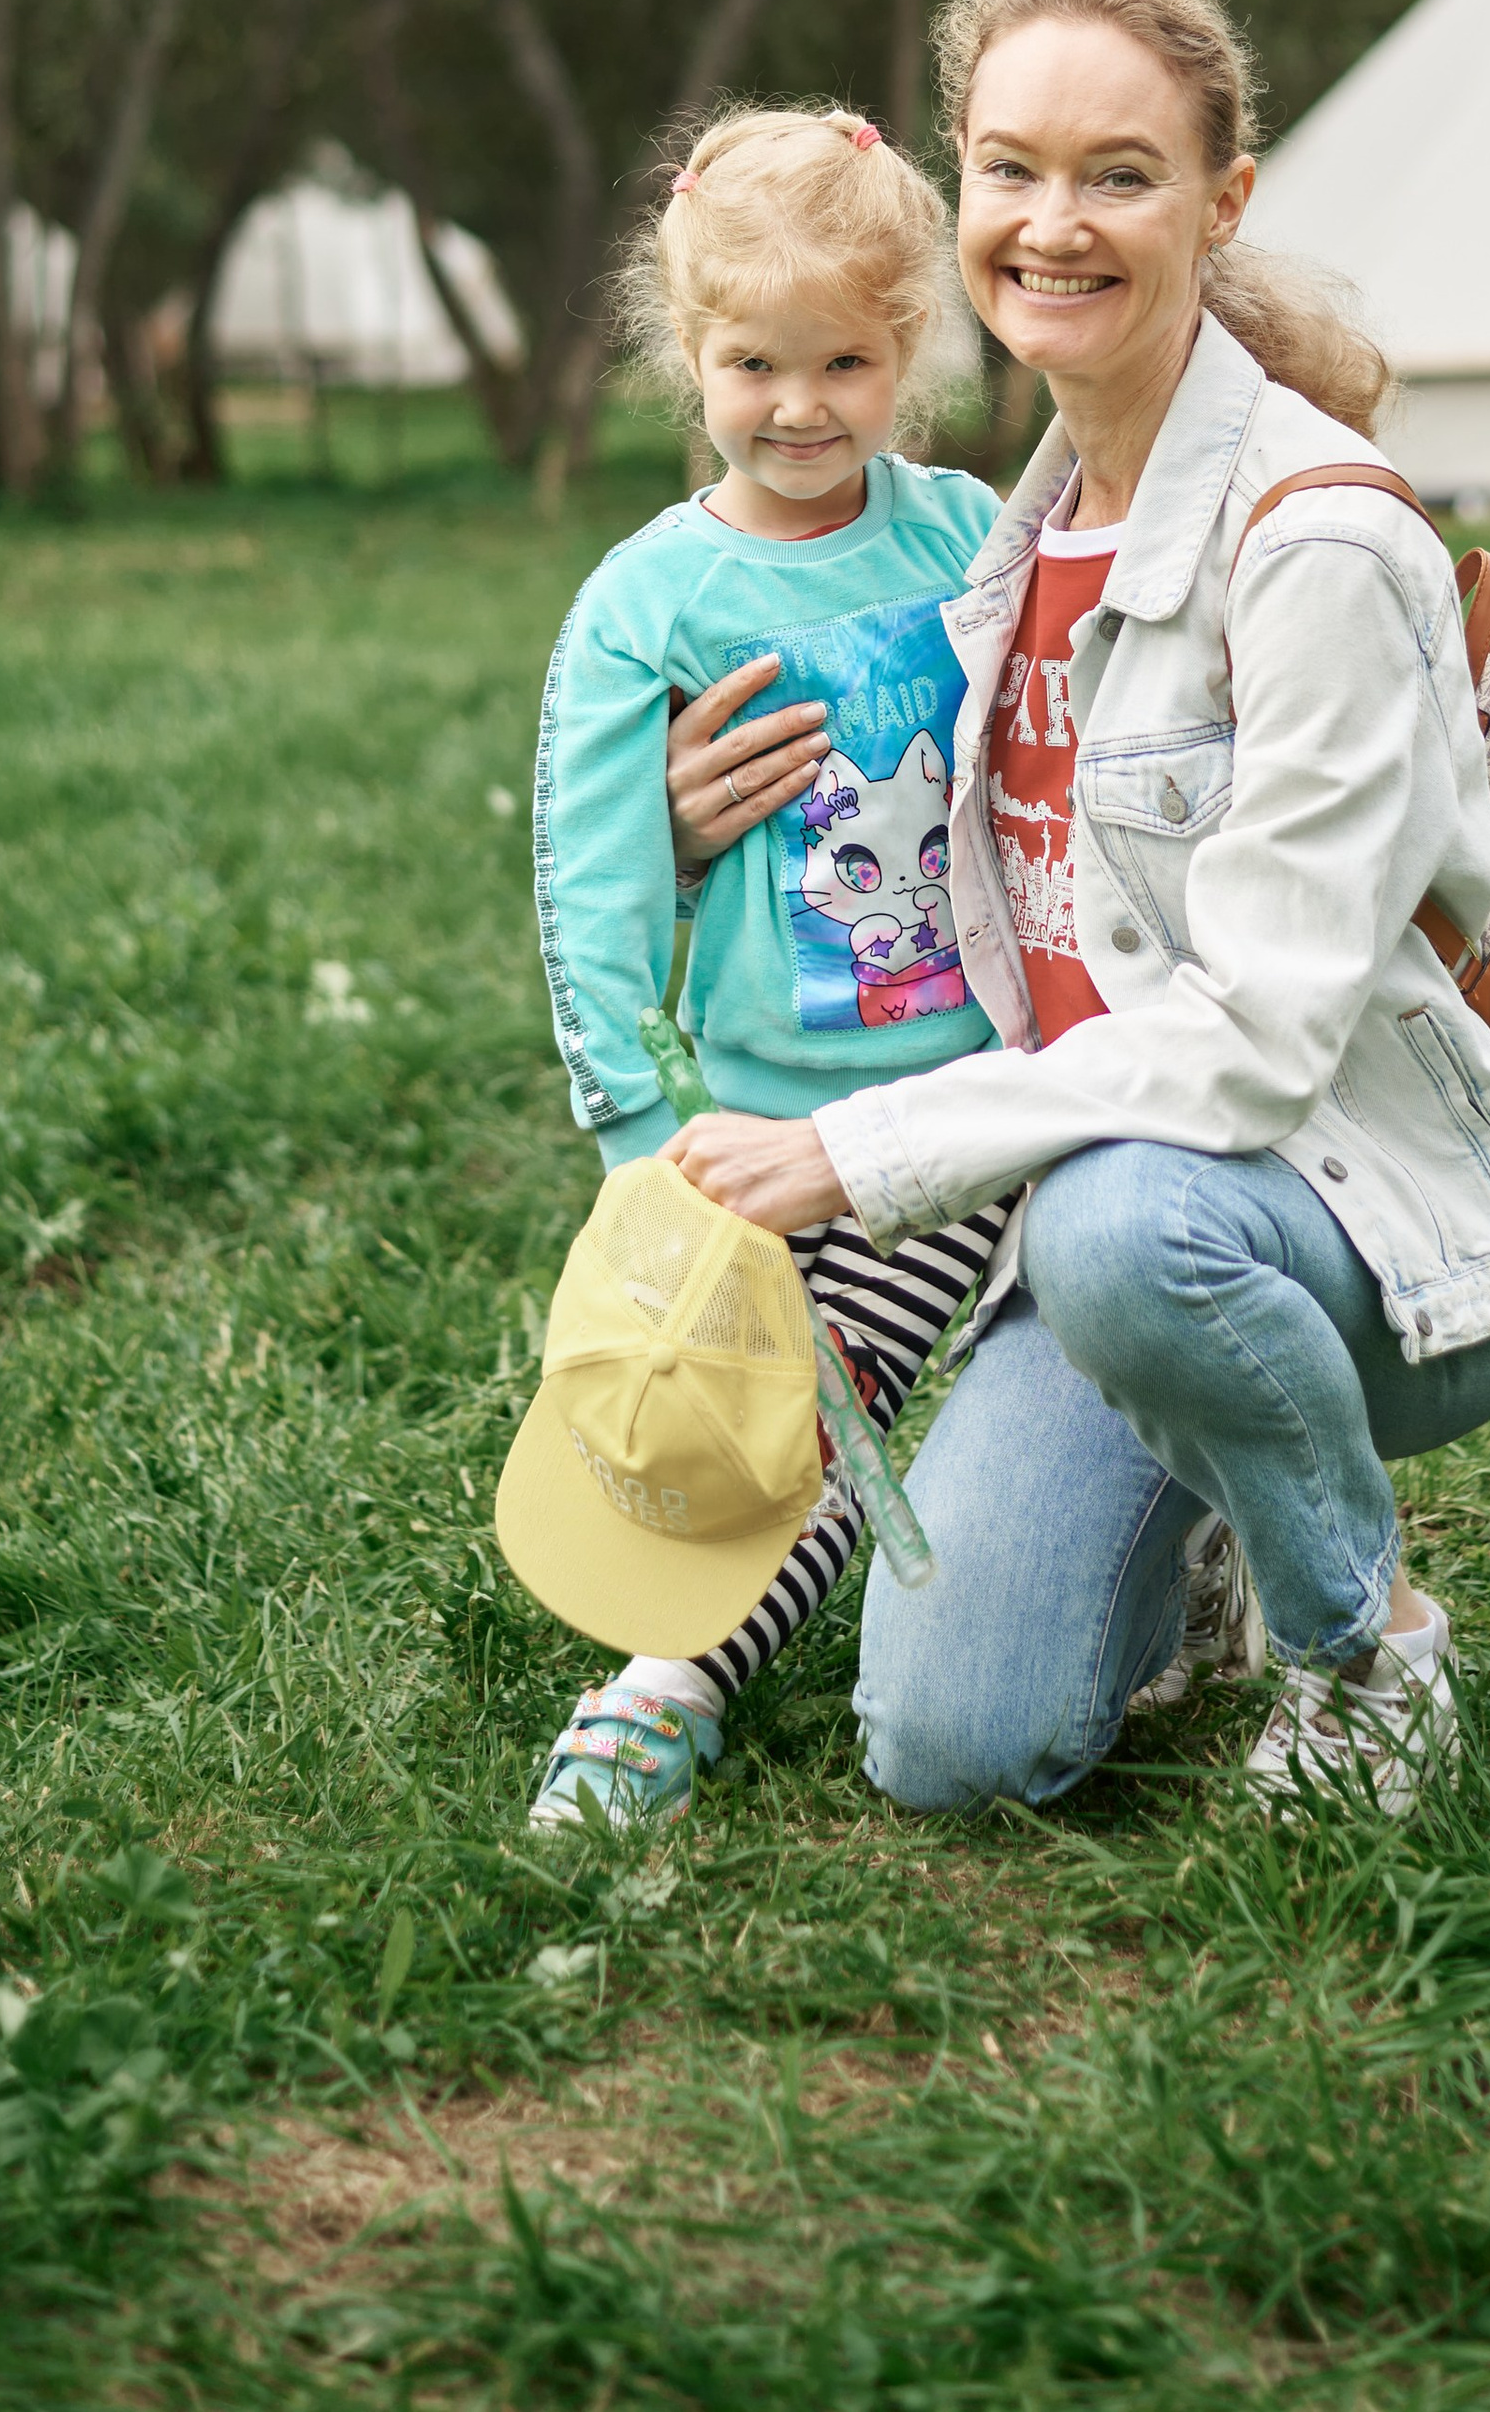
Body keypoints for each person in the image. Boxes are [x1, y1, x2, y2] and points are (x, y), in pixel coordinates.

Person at [663, 0, 1490, 1813]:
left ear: (1221, 201)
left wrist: (861, 1159)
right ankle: (1208, 1516)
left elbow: (1253, 1046)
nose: (1052, 225)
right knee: (951, 1753)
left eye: (1119, 173)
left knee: (1124, 1231)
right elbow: (930, 891)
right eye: (1009, 170)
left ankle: (1364, 1641)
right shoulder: (1008, 545)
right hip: (1081, 1228)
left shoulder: (1315, 544)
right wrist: (699, 833)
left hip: (1338, 1227)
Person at [522, 106, 1008, 1829]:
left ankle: (671, 1684)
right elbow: (588, 885)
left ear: (913, 351)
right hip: (753, 1122)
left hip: (984, 1102)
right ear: (688, 354)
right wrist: (636, 1140)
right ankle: (666, 1680)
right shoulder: (646, 603)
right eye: (754, 364)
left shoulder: (969, 539)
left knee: (858, 1388)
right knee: (771, 1418)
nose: (800, 408)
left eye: (847, 362)